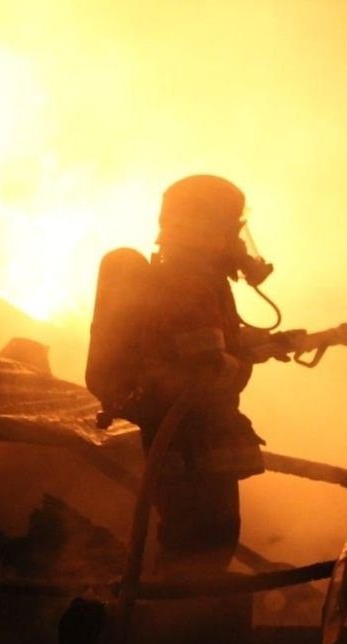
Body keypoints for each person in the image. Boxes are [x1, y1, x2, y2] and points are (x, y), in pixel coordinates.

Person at [88, 175, 273, 576]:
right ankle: (169, 629)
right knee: (199, 555)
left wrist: (258, 343)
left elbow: (203, 349)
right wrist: (249, 358)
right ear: (209, 227)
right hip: (193, 449)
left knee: (196, 547)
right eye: (231, 227)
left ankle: (171, 624)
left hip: (189, 448)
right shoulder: (190, 283)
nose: (238, 241)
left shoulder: (188, 278)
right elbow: (207, 373)